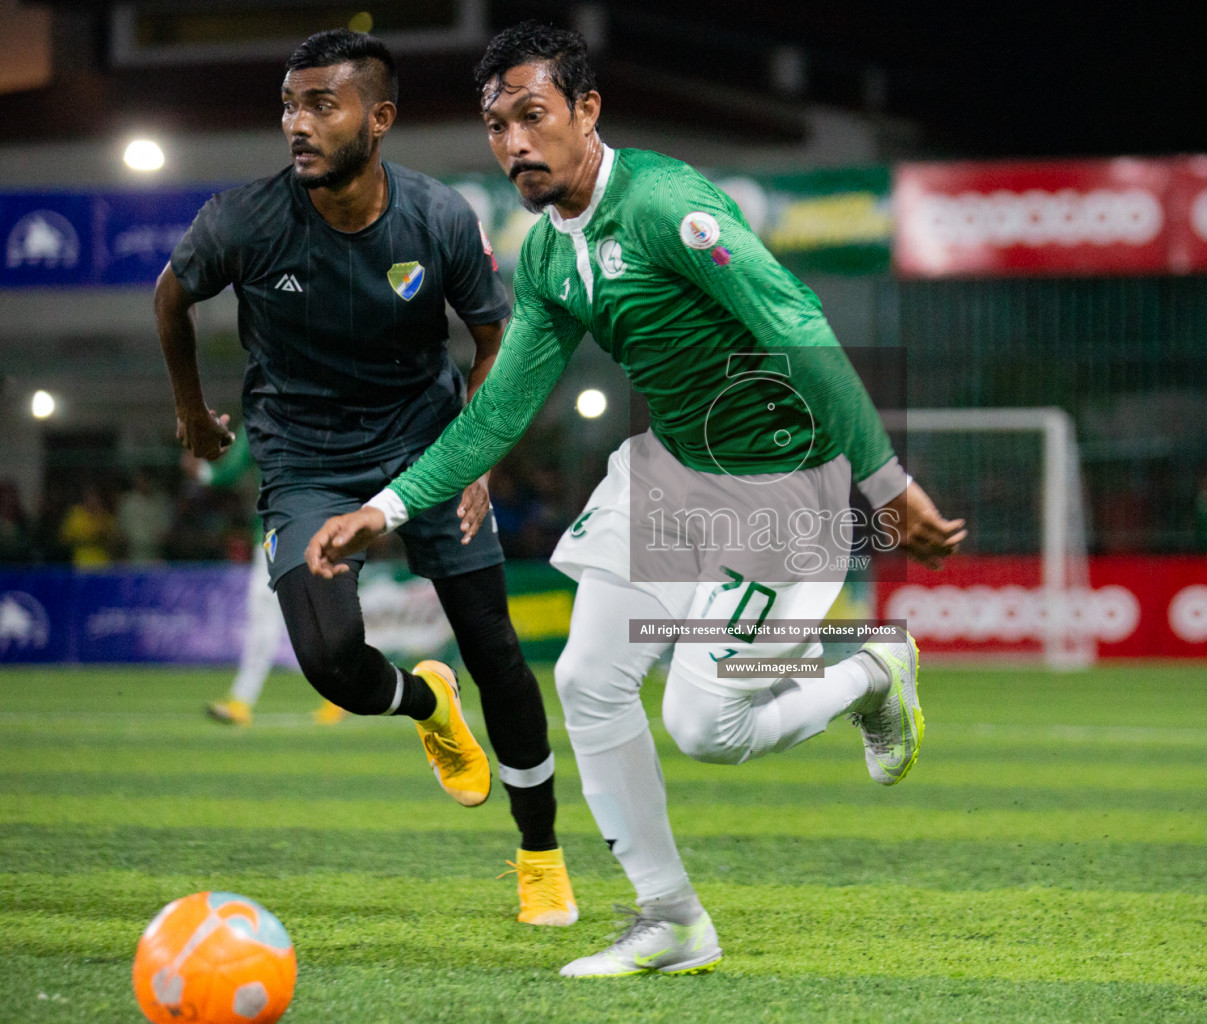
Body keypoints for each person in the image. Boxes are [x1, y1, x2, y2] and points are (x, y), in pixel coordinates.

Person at [306, 22, 965, 978]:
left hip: (786, 492)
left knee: (707, 730)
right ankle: (671, 919)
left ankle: (870, 672)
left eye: (533, 115)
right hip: (669, 477)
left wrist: (886, 482)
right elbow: (498, 415)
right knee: (587, 680)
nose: (515, 143)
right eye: (497, 125)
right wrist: (389, 506)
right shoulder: (544, 256)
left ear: (586, 110)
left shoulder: (664, 207)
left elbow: (796, 317)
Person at [153, 29, 576, 926]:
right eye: (288, 106)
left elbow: (494, 339)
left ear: (378, 119)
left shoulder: (438, 219)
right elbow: (171, 296)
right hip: (303, 462)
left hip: (427, 451)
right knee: (334, 666)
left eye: (320, 105)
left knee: (496, 649)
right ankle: (426, 701)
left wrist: (476, 454)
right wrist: (191, 412)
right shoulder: (243, 220)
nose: (296, 125)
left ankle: (541, 853)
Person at [195, 429, 346, 727]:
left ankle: (244, 700)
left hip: (278, 532)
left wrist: (200, 469)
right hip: (313, 526)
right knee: (315, 615)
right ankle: (245, 699)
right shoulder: (318, 414)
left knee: (276, 617)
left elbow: (227, 473)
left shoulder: (260, 419)